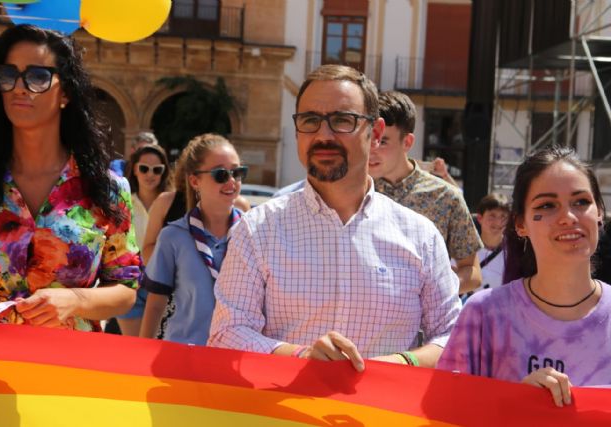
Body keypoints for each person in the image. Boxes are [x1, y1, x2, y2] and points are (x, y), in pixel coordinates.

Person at [208, 65, 461, 371]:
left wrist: (398, 363)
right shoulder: (258, 229)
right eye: (310, 120)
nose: (323, 135)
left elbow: (453, 338)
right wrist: (299, 356)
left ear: (376, 133)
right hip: (283, 415)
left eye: (342, 120)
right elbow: (225, 334)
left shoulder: (420, 235)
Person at [0, 25, 140, 330]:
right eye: (8, 75)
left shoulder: (106, 189)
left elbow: (125, 288)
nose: (19, 88)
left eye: (37, 76)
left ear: (66, 93)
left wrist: (76, 300)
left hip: (68, 368)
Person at [437, 147, 610, 407]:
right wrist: (512, 405)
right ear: (520, 224)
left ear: (599, 212)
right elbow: (442, 414)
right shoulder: (484, 315)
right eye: (547, 205)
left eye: (581, 202)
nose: (568, 217)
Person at [369, 91, 482, 294]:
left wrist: (430, 292)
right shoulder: (349, 191)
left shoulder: (446, 196)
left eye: (382, 141)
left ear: (408, 143)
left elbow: (473, 273)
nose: (371, 149)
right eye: (368, 138)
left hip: (424, 325)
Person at [139, 134, 246, 344]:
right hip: (184, 355)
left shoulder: (253, 233)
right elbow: (155, 303)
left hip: (235, 355)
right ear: (195, 180)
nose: (232, 181)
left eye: (238, 172)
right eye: (221, 174)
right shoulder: (173, 236)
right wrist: (142, 353)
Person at [115, 144, 171, 336]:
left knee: (158, 348)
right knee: (135, 349)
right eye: (144, 168)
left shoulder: (171, 205)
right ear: (135, 169)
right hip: (130, 280)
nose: (150, 174)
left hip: (163, 283)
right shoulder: (122, 203)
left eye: (157, 169)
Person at [466, 193, 509, 299]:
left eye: (503, 216)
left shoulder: (515, 252)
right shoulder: (466, 249)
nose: (498, 222)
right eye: (492, 216)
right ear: (480, 218)